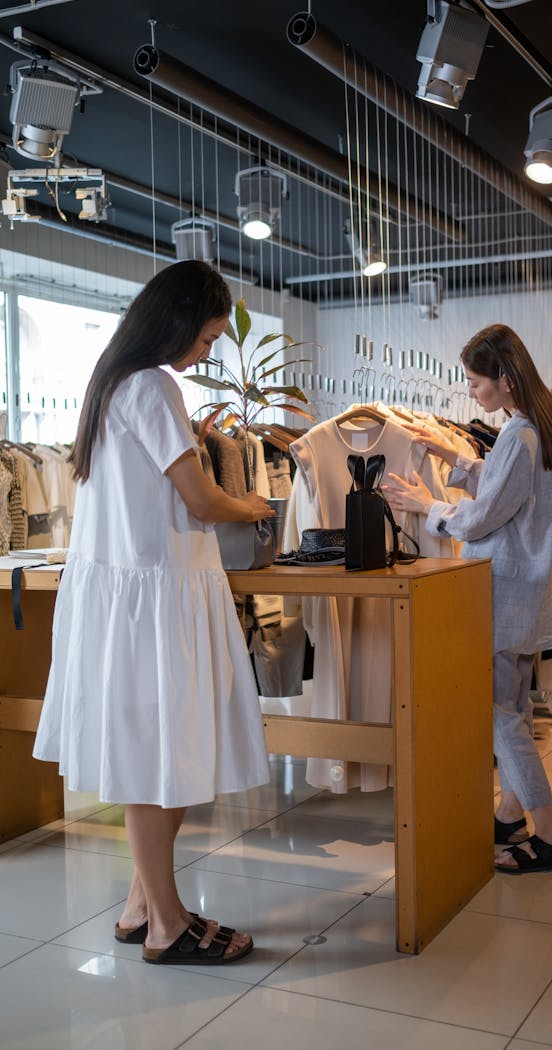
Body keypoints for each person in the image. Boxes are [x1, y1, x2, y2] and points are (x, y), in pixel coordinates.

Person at [33, 260, 275, 961]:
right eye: (204, 340)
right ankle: (168, 925)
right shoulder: (154, 386)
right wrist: (253, 506)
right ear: (174, 323)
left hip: (134, 590)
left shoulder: (112, 386)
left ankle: (143, 905)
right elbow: (200, 500)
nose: (204, 354)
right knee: (160, 756)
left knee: (167, 749)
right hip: (158, 593)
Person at [382, 323, 552, 874]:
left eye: (475, 382)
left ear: (506, 380)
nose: (471, 392)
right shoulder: (546, 427)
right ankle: (511, 815)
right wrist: (457, 456)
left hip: (508, 593)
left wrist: (427, 505)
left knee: (500, 716)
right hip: (532, 594)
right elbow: (509, 485)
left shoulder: (519, 435)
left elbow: (489, 513)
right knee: (513, 706)